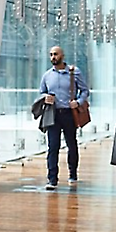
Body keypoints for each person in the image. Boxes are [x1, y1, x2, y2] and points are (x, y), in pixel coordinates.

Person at [38, 46, 89, 190]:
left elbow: (85, 90)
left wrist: (78, 102)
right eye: (51, 55)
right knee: (52, 146)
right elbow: (42, 92)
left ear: (62, 56)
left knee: (71, 144)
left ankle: (73, 174)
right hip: (53, 114)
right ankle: (52, 179)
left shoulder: (74, 72)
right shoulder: (47, 75)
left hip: (69, 113)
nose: (53, 57)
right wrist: (45, 97)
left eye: (55, 54)